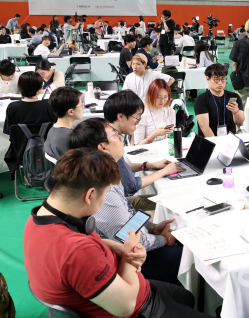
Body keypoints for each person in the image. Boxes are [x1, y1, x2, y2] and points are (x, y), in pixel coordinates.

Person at [24, 148, 216, 318]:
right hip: (136, 309)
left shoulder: (39, 218)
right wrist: (130, 254)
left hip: (128, 288)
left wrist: (114, 245)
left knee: (186, 297)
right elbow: (126, 306)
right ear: (90, 195)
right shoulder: (77, 252)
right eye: (106, 193)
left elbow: (81, 252)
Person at [69, 119, 184, 287]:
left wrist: (152, 227)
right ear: (103, 147)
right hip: (125, 261)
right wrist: (165, 240)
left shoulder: (103, 172)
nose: (121, 137)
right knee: (187, 258)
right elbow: (130, 241)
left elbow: (125, 217)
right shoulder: (102, 191)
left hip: (127, 248)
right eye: (115, 135)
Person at [102, 90, 182, 200]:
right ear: (120, 117)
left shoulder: (103, 132)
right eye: (137, 117)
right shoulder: (111, 142)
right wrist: (165, 171)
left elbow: (119, 167)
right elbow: (131, 186)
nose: (138, 122)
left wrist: (148, 165)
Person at [194, 63, 245, 137]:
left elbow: (240, 123)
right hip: (210, 141)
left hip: (229, 140)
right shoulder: (201, 100)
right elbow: (204, 127)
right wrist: (217, 144)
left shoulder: (234, 96)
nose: (220, 83)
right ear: (207, 79)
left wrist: (236, 111)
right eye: (216, 79)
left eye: (223, 79)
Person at [3, 72, 57, 136]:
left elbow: (8, 131)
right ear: (40, 88)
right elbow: (55, 128)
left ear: (19, 87)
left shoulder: (12, 107)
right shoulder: (48, 107)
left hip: (20, 145)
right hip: (45, 144)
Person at [133, 79, 177, 145]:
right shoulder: (142, 114)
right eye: (159, 97)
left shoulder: (170, 111)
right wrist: (154, 135)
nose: (162, 101)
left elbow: (172, 139)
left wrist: (172, 133)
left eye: (165, 97)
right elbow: (137, 145)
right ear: (151, 95)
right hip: (148, 151)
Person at [44, 87, 83, 160]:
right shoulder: (68, 138)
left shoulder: (52, 130)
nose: (83, 107)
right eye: (81, 105)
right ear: (71, 112)